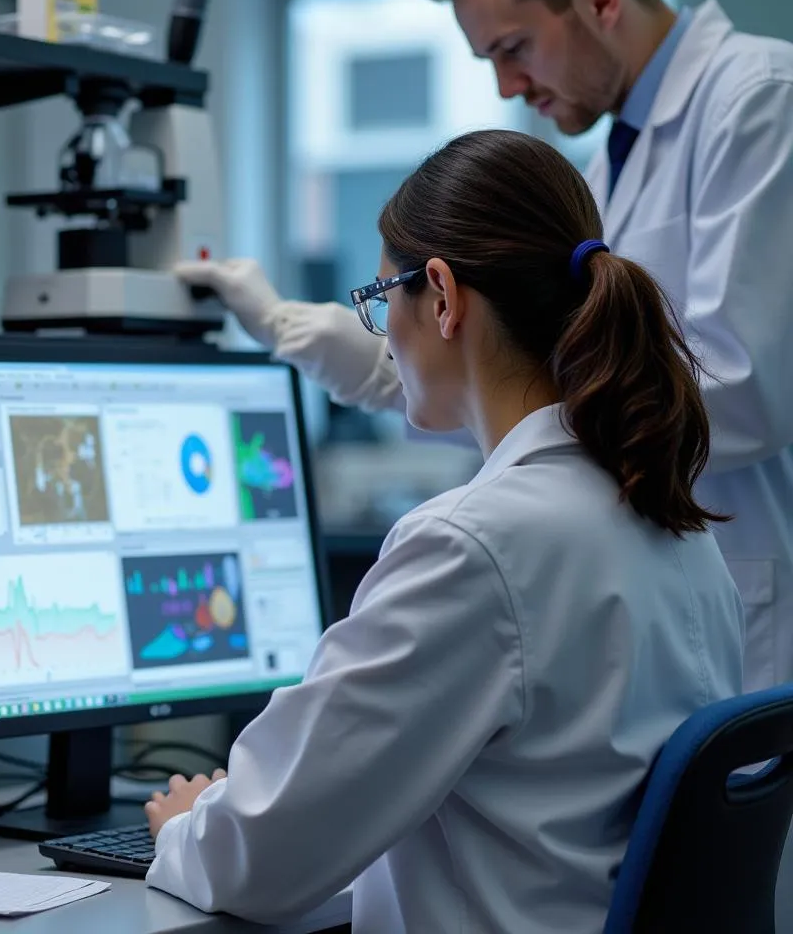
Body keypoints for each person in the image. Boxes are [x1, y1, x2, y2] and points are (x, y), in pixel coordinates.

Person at [176, 0, 793, 695]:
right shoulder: (613, 156)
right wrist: (336, 346)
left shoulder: (760, 100)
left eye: (512, 48)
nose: (507, 87)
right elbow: (544, 352)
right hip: (657, 595)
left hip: (730, 591)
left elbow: (742, 390)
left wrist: (470, 385)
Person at [146, 130, 744, 933]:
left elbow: (258, 857)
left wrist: (188, 825)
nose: (382, 330)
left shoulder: (475, 546)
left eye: (379, 298)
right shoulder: (674, 524)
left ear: (440, 295)